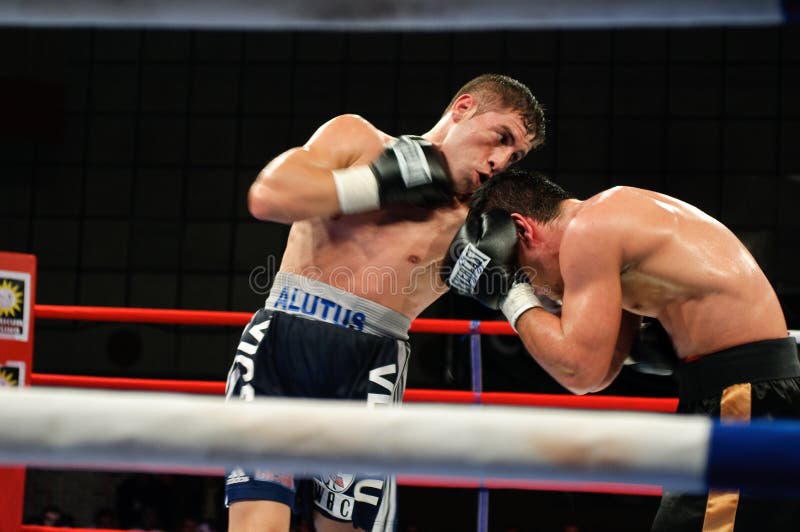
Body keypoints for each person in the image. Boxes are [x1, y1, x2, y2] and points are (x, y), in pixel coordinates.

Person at [224, 74, 546, 532]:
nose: (499, 161)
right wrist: (376, 183)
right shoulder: (357, 139)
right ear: (463, 108)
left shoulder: (471, 226)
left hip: (369, 366)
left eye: (515, 156)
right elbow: (269, 196)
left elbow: (553, 278)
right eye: (501, 138)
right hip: (280, 341)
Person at [444, 168, 800, 531]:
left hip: (741, 397)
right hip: (745, 391)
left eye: (525, 273)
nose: (539, 291)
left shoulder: (588, 232)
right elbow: (600, 369)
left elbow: (578, 371)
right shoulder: (614, 223)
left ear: (522, 230)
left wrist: (509, 292)